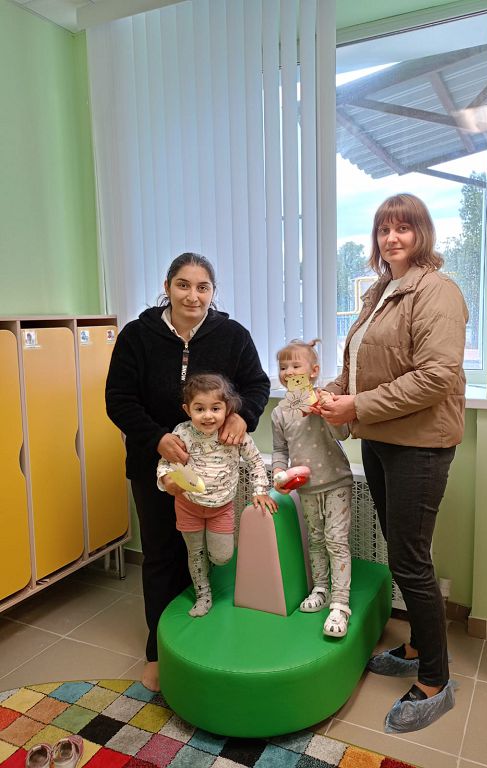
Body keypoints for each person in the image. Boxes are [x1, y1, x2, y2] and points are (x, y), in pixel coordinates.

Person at [314, 194, 468, 732]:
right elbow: (361, 364)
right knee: (405, 552)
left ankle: (436, 680)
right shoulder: (381, 290)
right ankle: (420, 646)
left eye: (403, 228)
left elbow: (436, 376)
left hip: (419, 445)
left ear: (422, 234)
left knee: (409, 560)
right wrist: (329, 393)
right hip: (380, 438)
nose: (391, 238)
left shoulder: (437, 291)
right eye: (384, 229)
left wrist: (355, 405)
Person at [105, 252, 270, 691]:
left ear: (213, 292)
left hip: (215, 473)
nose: (192, 295)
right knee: (163, 554)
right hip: (155, 466)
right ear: (167, 287)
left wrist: (243, 416)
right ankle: (160, 651)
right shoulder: (137, 335)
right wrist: (156, 438)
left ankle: (204, 642)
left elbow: (257, 385)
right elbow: (118, 399)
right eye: (183, 285)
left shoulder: (233, 335)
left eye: (202, 287)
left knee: (213, 554)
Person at [157, 373, 277, 618]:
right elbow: (166, 463)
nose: (208, 415)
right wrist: (166, 479)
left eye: (215, 408)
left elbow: (256, 462)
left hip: (221, 508)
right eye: (199, 409)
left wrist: (260, 491)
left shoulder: (235, 434)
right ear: (187, 409)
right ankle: (203, 595)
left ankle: (210, 566)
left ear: (227, 408)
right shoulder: (182, 432)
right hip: (188, 505)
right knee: (195, 553)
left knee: (222, 557)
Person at [271, 339, 354, 637]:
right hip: (306, 488)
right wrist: (278, 473)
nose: (288, 372)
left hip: (336, 482)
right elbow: (280, 450)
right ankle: (320, 588)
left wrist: (325, 410)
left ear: (314, 371)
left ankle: (340, 603)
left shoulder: (325, 399)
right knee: (316, 539)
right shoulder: (280, 412)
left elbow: (343, 433)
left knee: (336, 541)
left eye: (296, 365)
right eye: (283, 367)